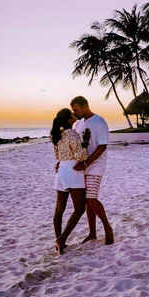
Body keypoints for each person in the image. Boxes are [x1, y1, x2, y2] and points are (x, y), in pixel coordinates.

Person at [70, 96, 114, 245]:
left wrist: (86, 163)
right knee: (87, 202)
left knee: (91, 198)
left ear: (84, 106)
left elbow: (102, 146)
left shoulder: (99, 122)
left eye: (76, 109)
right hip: (82, 166)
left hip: (96, 166)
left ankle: (108, 229)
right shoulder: (78, 124)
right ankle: (92, 233)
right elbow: (75, 146)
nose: (74, 113)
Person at [51, 108, 87, 254]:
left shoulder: (57, 135)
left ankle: (60, 241)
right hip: (72, 170)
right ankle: (61, 239)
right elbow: (80, 154)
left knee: (59, 210)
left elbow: (57, 155)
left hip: (61, 171)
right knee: (80, 208)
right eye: (72, 114)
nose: (74, 115)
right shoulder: (72, 133)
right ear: (68, 119)